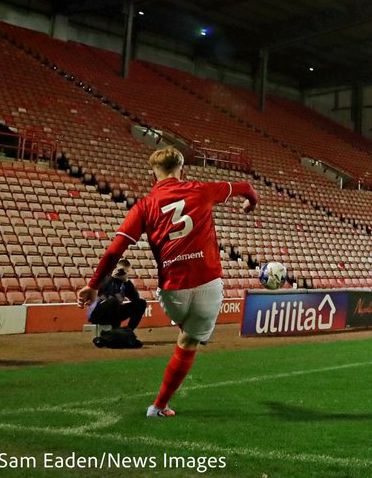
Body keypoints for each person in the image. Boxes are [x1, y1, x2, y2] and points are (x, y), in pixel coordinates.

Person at [78, 147, 258, 419]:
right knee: (189, 341)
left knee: (187, 331)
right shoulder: (202, 189)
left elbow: (115, 250)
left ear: (154, 174)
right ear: (181, 170)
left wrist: (93, 285)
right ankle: (158, 405)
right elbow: (246, 187)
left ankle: (165, 395)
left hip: (172, 291)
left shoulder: (145, 205)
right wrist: (251, 202)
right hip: (208, 284)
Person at [87, 257, 147, 340]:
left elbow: (135, 299)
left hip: (114, 313)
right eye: (120, 270)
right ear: (116, 269)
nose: (121, 273)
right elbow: (103, 293)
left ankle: (129, 331)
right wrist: (112, 278)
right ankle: (116, 331)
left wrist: (127, 281)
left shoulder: (125, 283)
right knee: (113, 301)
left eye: (124, 271)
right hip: (98, 312)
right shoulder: (106, 277)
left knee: (141, 303)